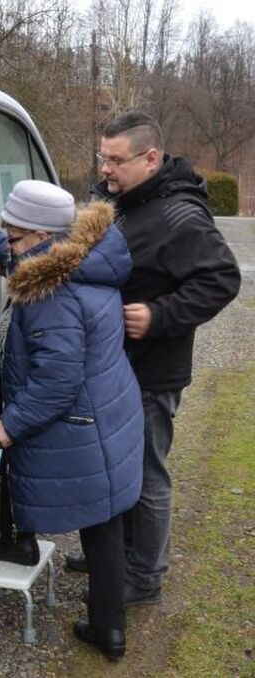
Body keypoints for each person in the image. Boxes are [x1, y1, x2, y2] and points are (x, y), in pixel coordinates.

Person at [0, 180, 144, 659]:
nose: (7, 244)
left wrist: (7, 425)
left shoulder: (50, 292)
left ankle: (28, 549)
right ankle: (110, 630)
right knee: (104, 523)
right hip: (109, 413)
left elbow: (56, 382)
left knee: (92, 517)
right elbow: (4, 250)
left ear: (37, 237)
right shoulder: (80, 255)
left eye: (13, 236)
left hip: (80, 421)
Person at [65, 112, 241, 606]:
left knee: (145, 472)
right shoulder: (128, 203)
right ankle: (114, 554)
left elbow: (222, 280)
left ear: (151, 158)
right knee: (115, 466)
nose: (106, 170)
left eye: (116, 160)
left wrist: (160, 315)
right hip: (116, 366)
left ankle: (144, 575)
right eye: (104, 158)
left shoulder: (181, 216)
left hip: (152, 371)